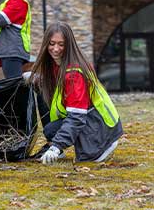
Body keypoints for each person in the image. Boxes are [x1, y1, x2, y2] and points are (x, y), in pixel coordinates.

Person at [27, 22, 123, 164]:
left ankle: (104, 146)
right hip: (92, 120)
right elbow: (55, 85)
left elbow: (76, 117)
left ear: (69, 45)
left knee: (87, 158)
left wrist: (56, 147)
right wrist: (34, 78)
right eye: (51, 44)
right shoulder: (58, 63)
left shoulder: (74, 73)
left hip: (99, 126)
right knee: (50, 130)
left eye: (61, 44)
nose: (55, 49)